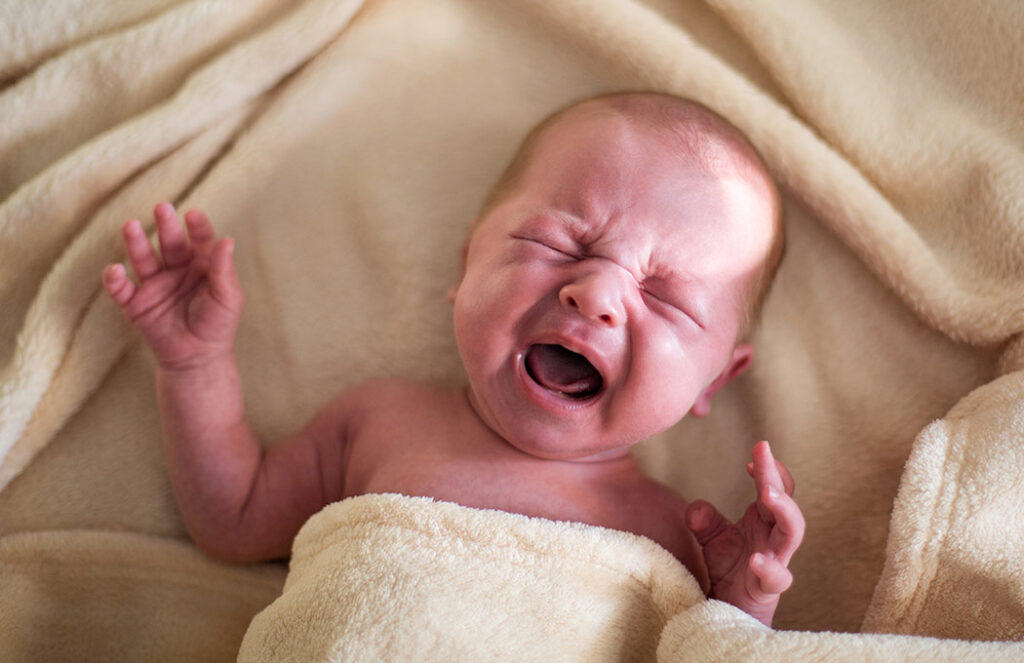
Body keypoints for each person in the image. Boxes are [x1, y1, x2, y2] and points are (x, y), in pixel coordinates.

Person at [101, 91, 803, 627]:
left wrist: (740, 607)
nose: (596, 296)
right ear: (467, 263)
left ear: (715, 376)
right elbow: (233, 518)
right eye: (560, 244)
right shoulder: (378, 422)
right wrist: (194, 365)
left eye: (665, 296)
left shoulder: (677, 534)